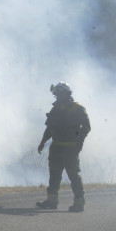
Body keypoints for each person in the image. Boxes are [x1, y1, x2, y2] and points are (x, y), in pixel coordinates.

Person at [36, 82, 91, 212]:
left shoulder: (78, 108)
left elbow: (87, 127)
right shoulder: (55, 109)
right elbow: (49, 129)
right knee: (54, 175)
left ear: (67, 94)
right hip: (56, 148)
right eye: (56, 95)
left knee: (73, 176)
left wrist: (80, 141)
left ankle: (79, 203)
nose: (57, 97)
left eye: (59, 94)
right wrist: (42, 142)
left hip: (71, 149)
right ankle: (51, 201)